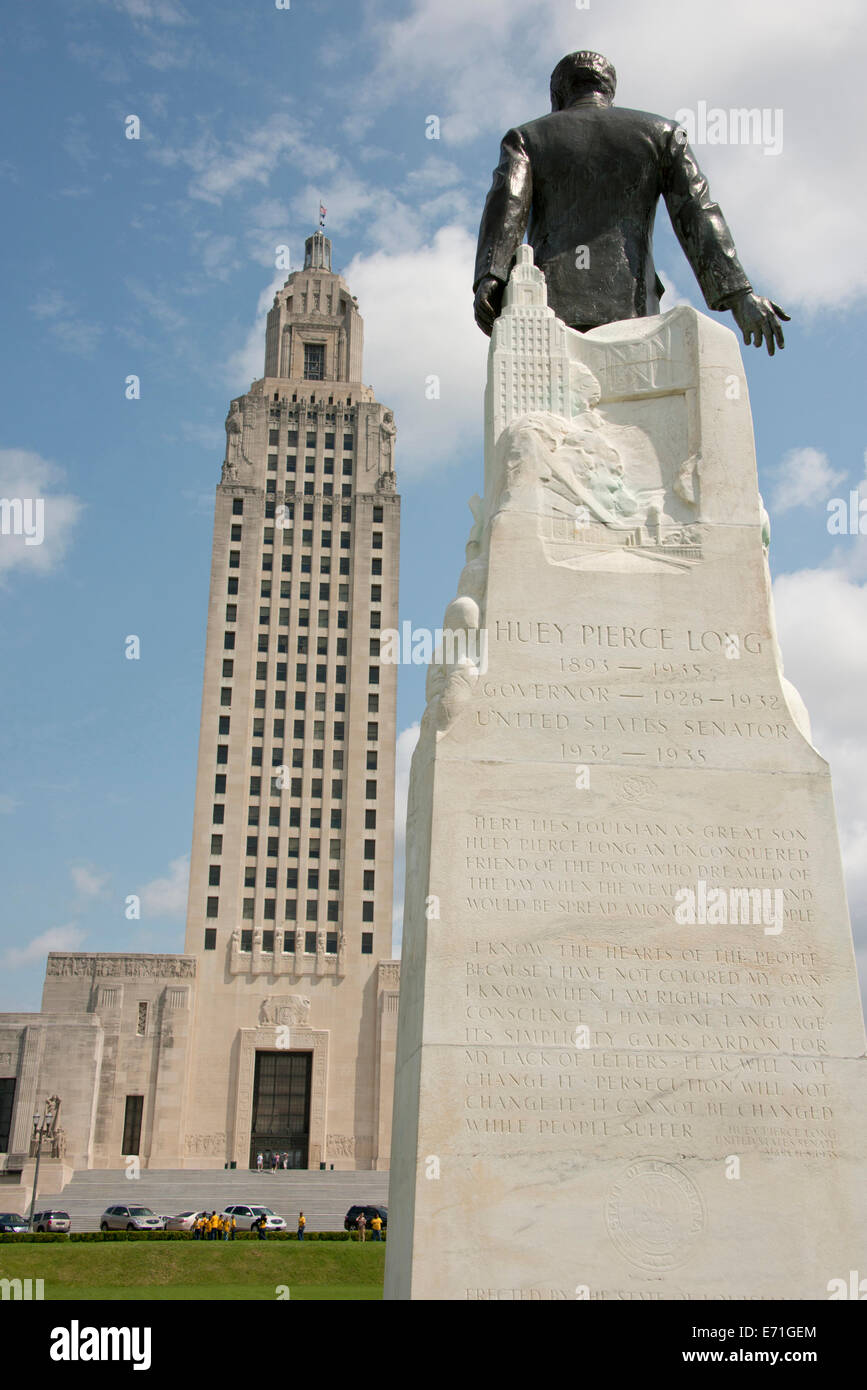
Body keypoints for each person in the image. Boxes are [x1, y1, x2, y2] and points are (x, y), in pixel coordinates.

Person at [474, 50, 788, 356]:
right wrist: (739, 294)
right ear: (610, 91)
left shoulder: (527, 138)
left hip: (549, 303)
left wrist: (491, 277)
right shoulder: (663, 133)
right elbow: (696, 211)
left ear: (558, 95)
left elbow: (506, 210)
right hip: (632, 306)